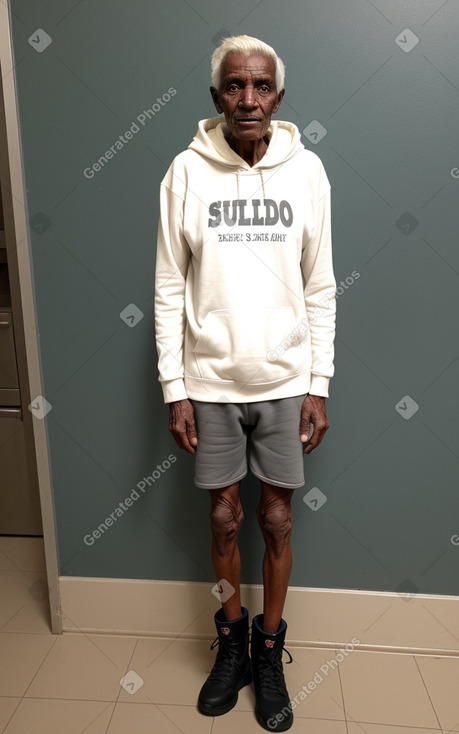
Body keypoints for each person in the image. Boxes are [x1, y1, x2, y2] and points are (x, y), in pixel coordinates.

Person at [154, 34, 336, 732]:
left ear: (279, 97)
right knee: (224, 519)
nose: (248, 99)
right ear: (216, 98)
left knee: (276, 520)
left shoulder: (307, 172)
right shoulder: (185, 172)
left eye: (261, 86)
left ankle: (268, 648)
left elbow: (319, 286)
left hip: (286, 381)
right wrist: (175, 388)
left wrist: (317, 382)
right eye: (235, 86)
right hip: (210, 383)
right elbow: (169, 289)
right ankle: (229, 639)